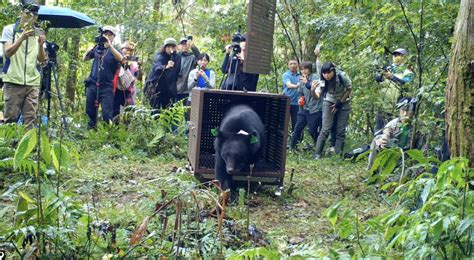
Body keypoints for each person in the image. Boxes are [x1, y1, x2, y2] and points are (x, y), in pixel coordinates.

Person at [1, 0, 46, 129]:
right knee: (11, 119)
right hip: (13, 80)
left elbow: (42, 59)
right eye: (29, 13)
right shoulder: (10, 29)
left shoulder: (39, 32)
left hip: (32, 82)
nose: (32, 17)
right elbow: (8, 52)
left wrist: (41, 45)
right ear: (22, 12)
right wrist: (21, 38)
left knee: (30, 120)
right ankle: (10, 148)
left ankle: (28, 149)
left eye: (35, 14)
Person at [83, 25, 124, 129]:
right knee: (90, 112)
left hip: (106, 87)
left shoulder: (115, 49)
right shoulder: (97, 48)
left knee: (107, 114)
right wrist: (93, 46)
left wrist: (110, 46)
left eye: (110, 34)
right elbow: (85, 59)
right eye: (105, 34)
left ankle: (106, 137)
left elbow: (121, 59)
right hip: (92, 84)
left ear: (113, 37)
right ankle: (91, 133)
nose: (107, 36)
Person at [314, 62, 352, 159]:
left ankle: (338, 155)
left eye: (328, 73)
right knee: (325, 129)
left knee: (340, 130)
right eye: (324, 73)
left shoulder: (342, 76)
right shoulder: (322, 79)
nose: (326, 75)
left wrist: (339, 103)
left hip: (343, 101)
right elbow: (318, 96)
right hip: (329, 101)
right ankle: (317, 154)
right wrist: (312, 90)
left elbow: (349, 89)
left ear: (333, 71)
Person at [367, 97, 417, 170]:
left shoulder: (417, 126)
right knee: (377, 139)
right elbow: (386, 132)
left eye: (408, 110)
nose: (405, 113)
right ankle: (371, 170)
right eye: (403, 110)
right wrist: (383, 140)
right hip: (394, 152)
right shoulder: (395, 122)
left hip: (408, 157)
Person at [375, 48, 414, 131]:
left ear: (405, 57)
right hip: (383, 107)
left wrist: (392, 77)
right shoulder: (388, 69)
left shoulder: (408, 72)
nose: (396, 57)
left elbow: (406, 85)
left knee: (394, 134)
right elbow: (377, 79)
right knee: (379, 134)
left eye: (399, 55)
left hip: (397, 109)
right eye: (395, 55)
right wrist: (381, 72)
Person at [289, 62, 322, 150]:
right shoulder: (301, 79)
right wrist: (300, 98)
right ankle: (292, 148)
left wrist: (306, 81)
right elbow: (300, 92)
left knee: (312, 130)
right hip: (304, 108)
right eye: (302, 69)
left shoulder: (315, 77)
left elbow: (314, 88)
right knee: (297, 128)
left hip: (314, 108)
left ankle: (318, 147)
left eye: (305, 69)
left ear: (310, 69)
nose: (303, 71)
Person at [145, 38, 181, 110]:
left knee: (168, 111)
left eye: (172, 46)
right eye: (168, 46)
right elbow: (157, 68)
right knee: (155, 111)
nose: (170, 48)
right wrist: (166, 66)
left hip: (167, 90)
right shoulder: (160, 56)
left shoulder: (176, 57)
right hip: (155, 88)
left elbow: (176, 73)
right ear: (165, 47)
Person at [113, 41, 142, 119]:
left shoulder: (134, 63)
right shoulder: (116, 59)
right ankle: (115, 129)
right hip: (116, 90)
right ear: (122, 49)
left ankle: (126, 129)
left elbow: (139, 78)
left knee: (129, 112)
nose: (129, 52)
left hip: (128, 91)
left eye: (131, 50)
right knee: (115, 112)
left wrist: (139, 68)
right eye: (127, 49)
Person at [175, 37, 200, 104]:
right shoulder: (175, 56)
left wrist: (193, 46)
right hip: (175, 89)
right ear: (178, 46)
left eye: (186, 44)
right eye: (182, 44)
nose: (184, 46)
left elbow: (200, 58)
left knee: (186, 111)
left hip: (187, 90)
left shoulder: (192, 57)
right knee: (175, 111)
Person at [282, 59, 300, 132]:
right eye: (291, 64)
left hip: (297, 103)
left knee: (296, 123)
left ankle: (295, 141)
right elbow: (288, 85)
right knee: (284, 122)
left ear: (297, 65)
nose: (293, 65)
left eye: (294, 63)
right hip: (287, 102)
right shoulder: (286, 75)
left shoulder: (300, 75)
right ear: (288, 66)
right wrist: (297, 86)